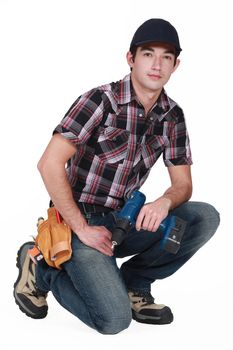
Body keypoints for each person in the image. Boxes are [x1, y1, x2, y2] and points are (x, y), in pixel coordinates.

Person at [13, 18, 220, 334]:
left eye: (166, 57)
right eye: (148, 54)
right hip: (79, 222)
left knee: (203, 217)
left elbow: (183, 184)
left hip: (126, 220)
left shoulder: (173, 116)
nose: (157, 64)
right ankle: (43, 269)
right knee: (113, 321)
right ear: (131, 58)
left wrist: (164, 202)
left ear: (176, 65)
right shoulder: (100, 100)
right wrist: (81, 229)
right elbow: (49, 164)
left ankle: (135, 284)